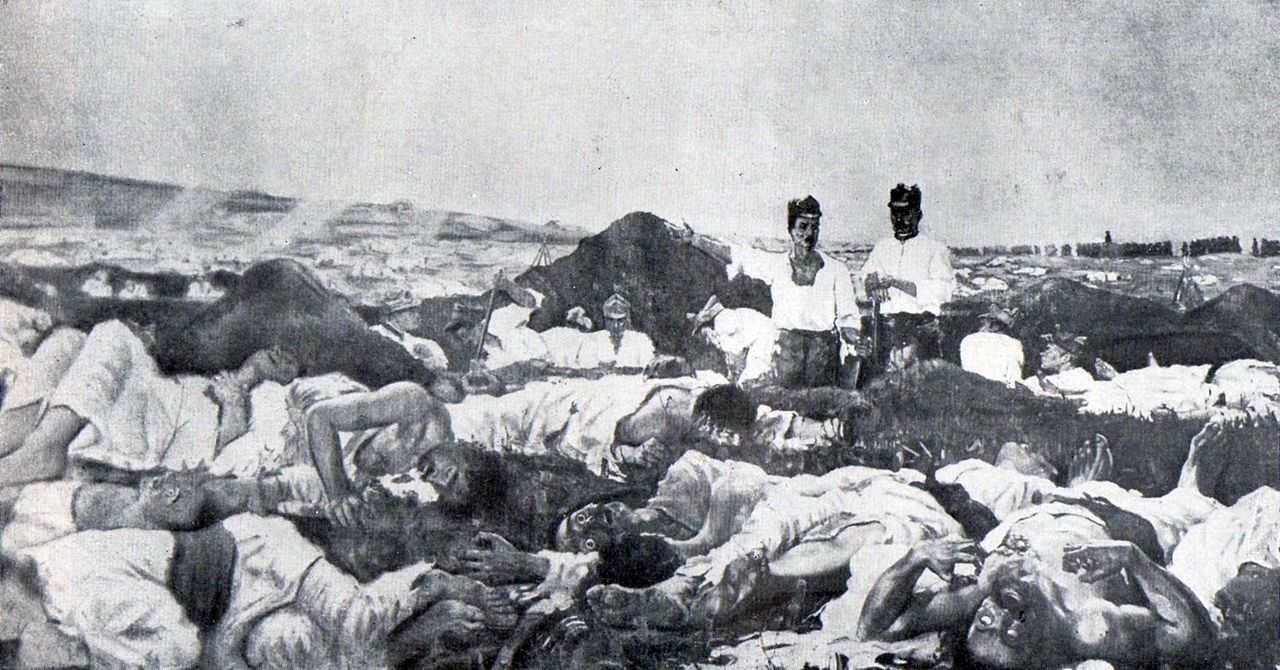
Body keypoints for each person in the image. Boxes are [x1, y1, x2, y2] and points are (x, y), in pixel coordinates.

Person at [855, 418, 1241, 669]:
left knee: (977, 469)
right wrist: (1132, 557)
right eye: (1012, 633)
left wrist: (918, 556)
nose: (1003, 613)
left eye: (986, 622)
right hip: (1111, 520)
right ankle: (1185, 485)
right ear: (1037, 652)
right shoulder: (1087, 625)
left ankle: (1075, 485)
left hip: (1028, 513)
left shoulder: (978, 597)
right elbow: (1186, 636)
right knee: (1191, 509)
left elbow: (872, 628)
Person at [0, 319, 300, 488]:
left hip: (154, 441)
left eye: (292, 361)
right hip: (140, 408)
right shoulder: (213, 378)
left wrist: (235, 404)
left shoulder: (262, 400)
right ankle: (10, 436)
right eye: (280, 348)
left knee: (113, 333)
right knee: (70, 340)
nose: (281, 353)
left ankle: (44, 449)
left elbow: (224, 461)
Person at [680, 196, 862, 389]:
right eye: (803, 227)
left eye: (815, 227)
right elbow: (736, 255)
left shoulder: (836, 270)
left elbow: (849, 319)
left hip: (821, 358)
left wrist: (855, 339)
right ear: (791, 230)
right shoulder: (777, 265)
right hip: (786, 357)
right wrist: (695, 240)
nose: (809, 234)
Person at [860, 184, 956, 372]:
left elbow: (943, 291)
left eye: (905, 213)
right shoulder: (882, 248)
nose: (899, 219)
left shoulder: (934, 249)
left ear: (918, 215)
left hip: (918, 331)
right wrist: (872, 285)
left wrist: (897, 283)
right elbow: (865, 276)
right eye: (895, 213)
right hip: (885, 331)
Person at [959, 304, 1024, 386]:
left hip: (972, 386)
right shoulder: (1012, 343)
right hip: (998, 388)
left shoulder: (967, 340)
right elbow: (1014, 378)